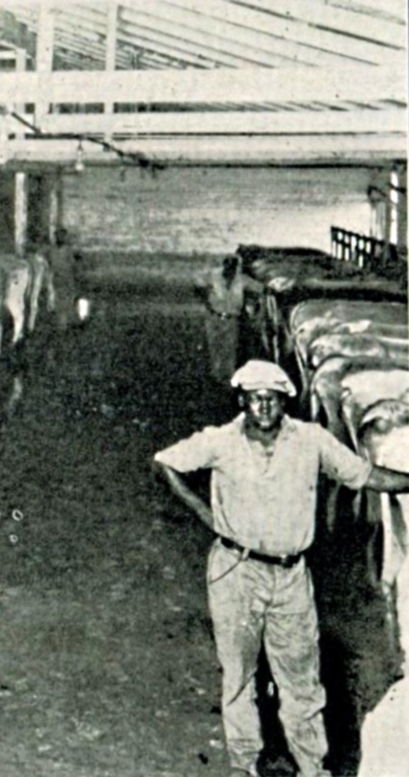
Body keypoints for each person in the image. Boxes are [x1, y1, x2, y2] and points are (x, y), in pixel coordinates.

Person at [153, 360, 409, 777]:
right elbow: (166, 462)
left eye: (272, 399)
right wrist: (205, 514)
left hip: (290, 576)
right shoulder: (219, 441)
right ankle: (243, 763)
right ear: (242, 401)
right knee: (238, 674)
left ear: (284, 401)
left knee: (302, 681)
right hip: (235, 571)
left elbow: (364, 476)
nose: (264, 407)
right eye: (255, 399)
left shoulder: (311, 440)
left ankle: (312, 767)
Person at [200, 255, 263, 384]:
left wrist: (252, 302)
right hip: (214, 317)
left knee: (229, 348)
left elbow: (260, 289)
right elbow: (198, 284)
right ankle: (215, 374)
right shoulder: (213, 275)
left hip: (231, 318)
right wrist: (207, 302)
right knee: (214, 346)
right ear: (224, 266)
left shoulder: (242, 280)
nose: (230, 270)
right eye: (227, 267)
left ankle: (228, 376)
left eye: (232, 268)